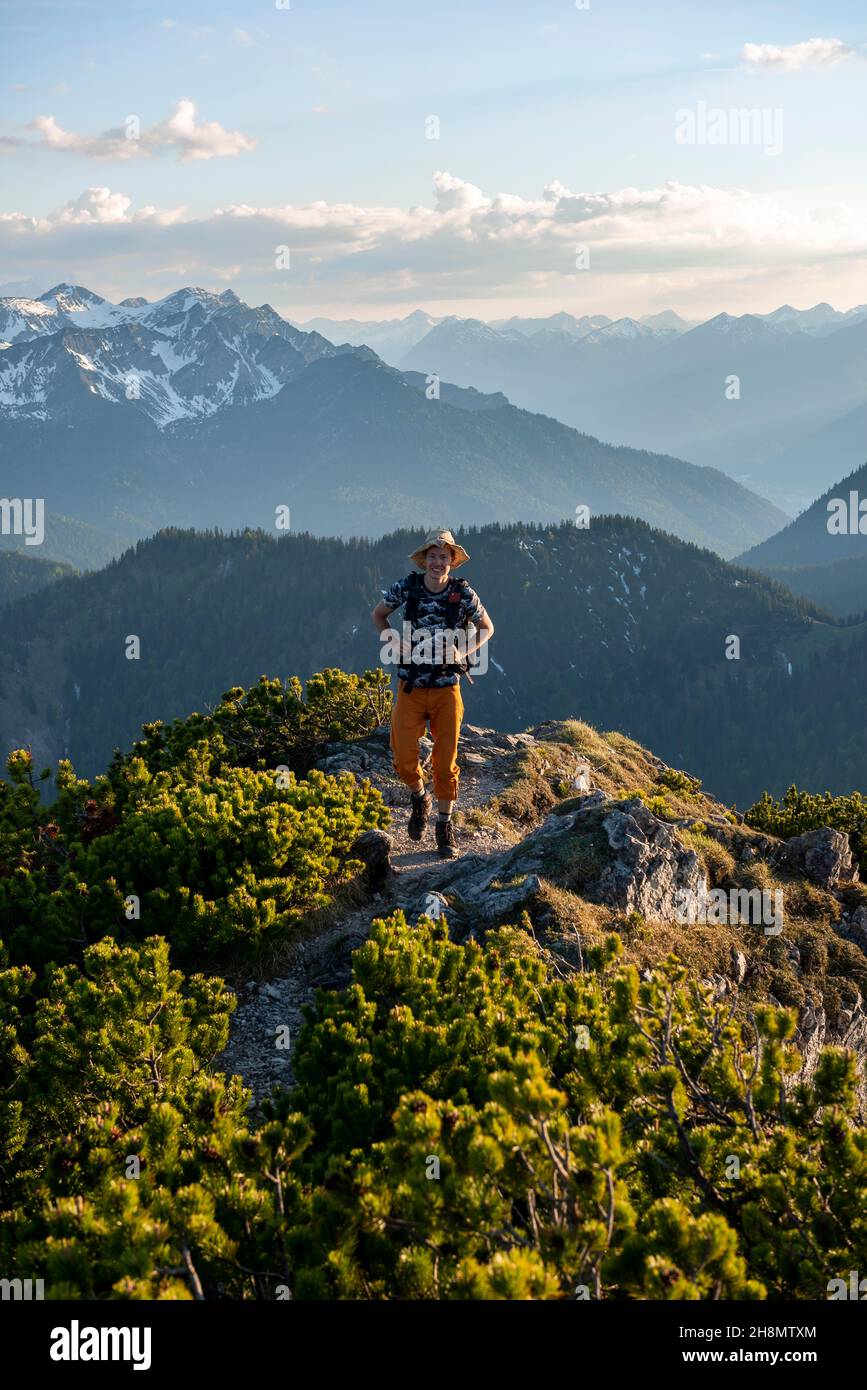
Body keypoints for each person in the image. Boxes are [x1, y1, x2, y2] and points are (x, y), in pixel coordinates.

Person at [371, 528, 494, 859]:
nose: (438, 562)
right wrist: (393, 641)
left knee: (445, 761)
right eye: (433, 556)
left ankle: (444, 825)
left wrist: (465, 650)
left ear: (452, 562)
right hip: (411, 685)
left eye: (445, 557)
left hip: (446, 687)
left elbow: (488, 628)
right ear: (424, 559)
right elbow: (379, 615)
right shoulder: (408, 588)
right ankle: (419, 795)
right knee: (403, 758)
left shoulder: (462, 593)